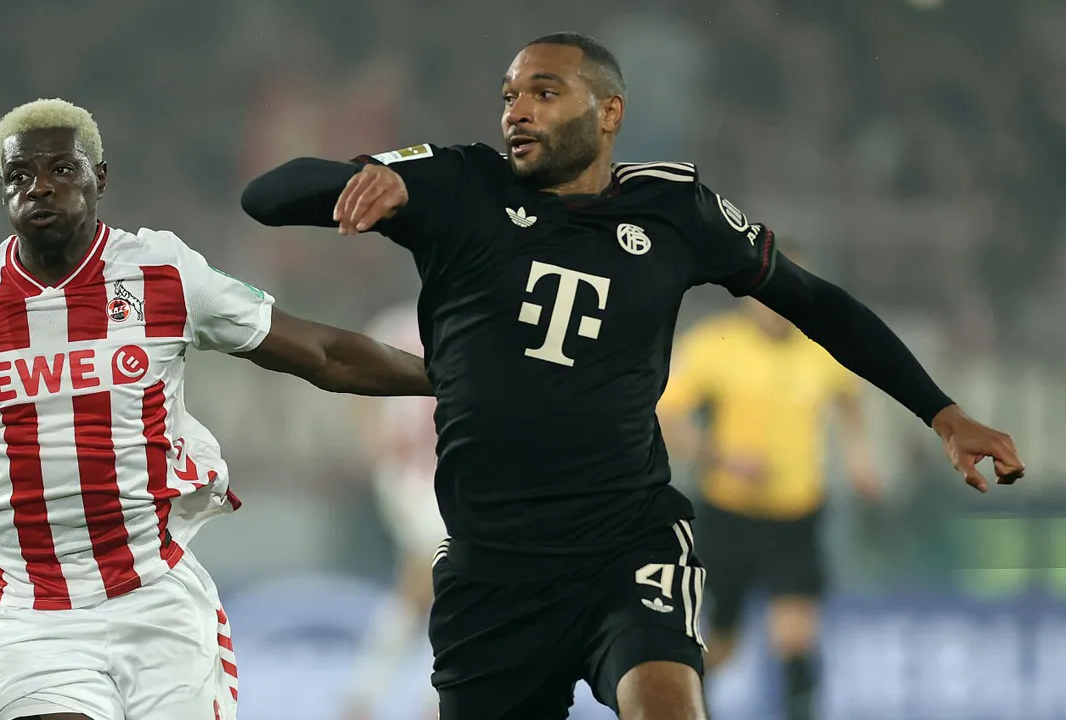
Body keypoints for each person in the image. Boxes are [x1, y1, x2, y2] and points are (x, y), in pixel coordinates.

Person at [239, 32, 1025, 720]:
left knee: (667, 701)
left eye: (545, 92)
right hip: (491, 566)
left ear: (609, 112)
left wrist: (941, 412)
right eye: (510, 95)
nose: (518, 110)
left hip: (626, 541)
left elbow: (815, 303)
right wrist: (386, 179)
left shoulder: (674, 208)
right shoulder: (458, 185)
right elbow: (267, 196)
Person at [0, 98, 433, 720]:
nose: (40, 187)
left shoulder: (162, 273)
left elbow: (318, 352)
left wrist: (446, 378)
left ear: (100, 177)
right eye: (20, 177)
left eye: (62, 170)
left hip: (154, 601)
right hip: (26, 614)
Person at [657, 257, 881, 720]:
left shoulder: (822, 349)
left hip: (797, 516)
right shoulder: (715, 347)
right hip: (729, 516)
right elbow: (667, 414)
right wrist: (721, 456)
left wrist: (860, 456)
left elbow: (849, 398)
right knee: (721, 645)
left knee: (795, 638)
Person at [342, 302, 443, 720]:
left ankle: (367, 695)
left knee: (424, 582)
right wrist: (373, 438)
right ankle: (429, 698)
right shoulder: (396, 325)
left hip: (445, 476)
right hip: (411, 474)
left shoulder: (464, 318)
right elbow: (354, 376)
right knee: (439, 573)